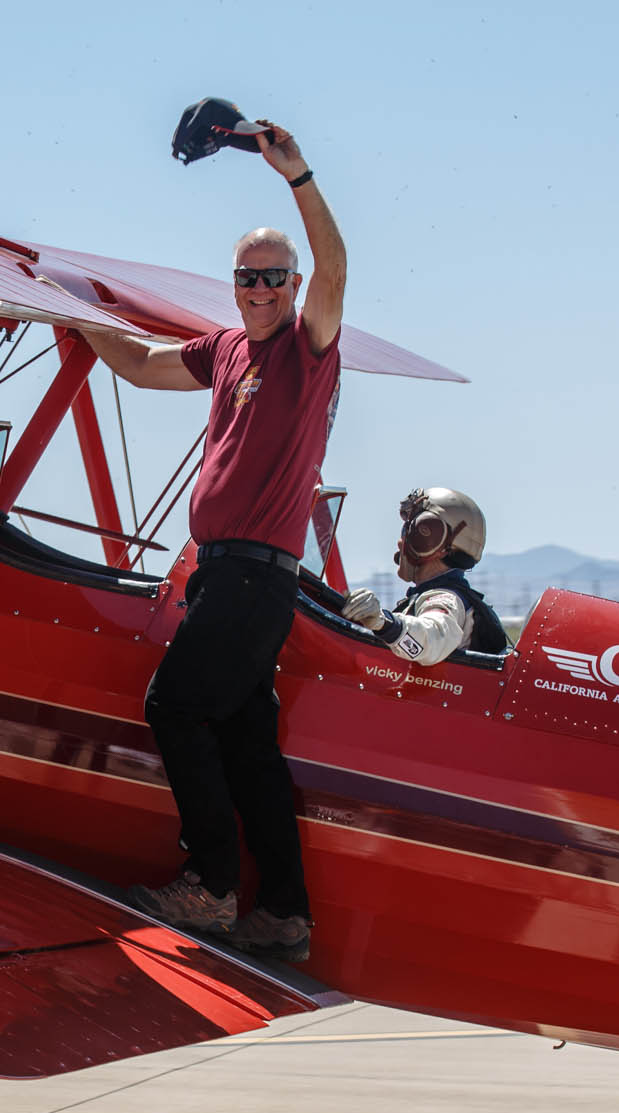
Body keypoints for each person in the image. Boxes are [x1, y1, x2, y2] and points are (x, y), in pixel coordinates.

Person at [75, 120, 343, 964]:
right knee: (244, 739)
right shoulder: (225, 348)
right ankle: (284, 911)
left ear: (291, 283)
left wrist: (297, 177)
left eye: (273, 276)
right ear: (233, 285)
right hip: (232, 579)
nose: (260, 288)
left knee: (173, 705)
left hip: (251, 580)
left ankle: (213, 886)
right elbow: (143, 363)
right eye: (247, 277)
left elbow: (337, 271)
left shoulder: (308, 347)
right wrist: (76, 316)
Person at [343, 488, 510, 664]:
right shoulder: (451, 598)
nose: (401, 542)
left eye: (409, 529)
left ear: (429, 536)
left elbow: (432, 637)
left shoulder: (445, 599)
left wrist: (382, 622)